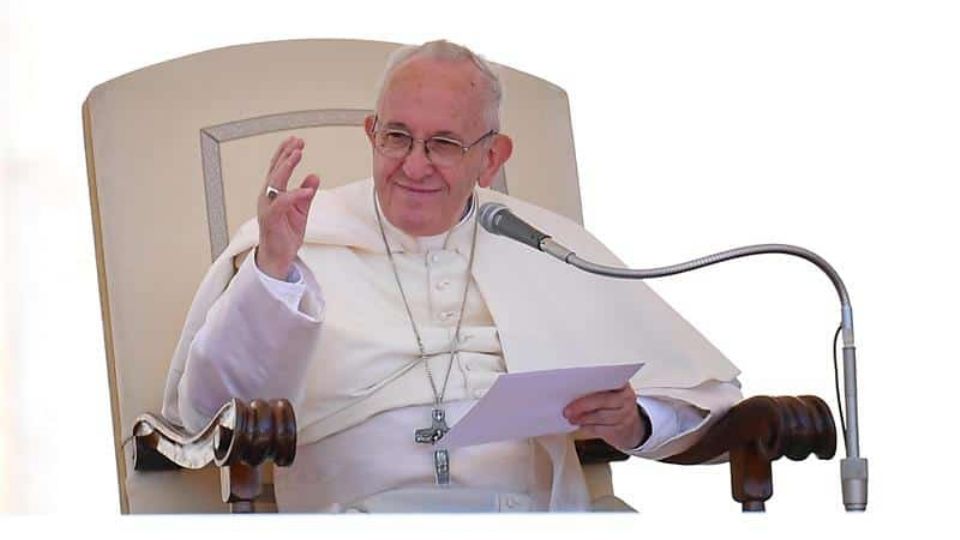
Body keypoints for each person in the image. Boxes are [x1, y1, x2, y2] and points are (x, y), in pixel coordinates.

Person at [161, 40, 741, 512]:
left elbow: (705, 399)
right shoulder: (296, 239)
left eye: (442, 144)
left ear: (492, 158)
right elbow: (208, 413)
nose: (413, 166)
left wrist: (635, 422)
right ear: (371, 133)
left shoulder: (548, 247)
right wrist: (272, 271)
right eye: (396, 137)